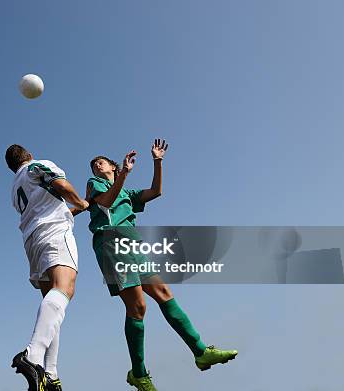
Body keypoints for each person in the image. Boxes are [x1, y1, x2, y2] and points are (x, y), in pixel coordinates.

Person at [86, 139, 237, 391]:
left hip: (133, 246)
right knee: (138, 307)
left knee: (164, 293)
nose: (95, 166)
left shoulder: (127, 193)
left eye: (99, 163)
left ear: (111, 166)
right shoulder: (96, 184)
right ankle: (139, 374)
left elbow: (156, 192)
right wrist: (124, 173)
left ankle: (200, 352)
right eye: (93, 166)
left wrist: (158, 162)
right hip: (111, 244)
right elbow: (107, 203)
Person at [5, 144, 89, 391]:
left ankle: (50, 373)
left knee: (52, 308)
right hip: (53, 232)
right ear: (28, 155)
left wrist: (73, 211)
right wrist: (81, 202)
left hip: (32, 240)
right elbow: (60, 185)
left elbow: (46, 207)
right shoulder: (37, 165)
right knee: (64, 289)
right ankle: (33, 356)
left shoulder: (15, 186)